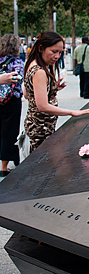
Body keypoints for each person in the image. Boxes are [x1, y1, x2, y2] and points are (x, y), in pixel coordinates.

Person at [23, 32, 89, 152]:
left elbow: (27, 93)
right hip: (41, 128)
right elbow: (42, 106)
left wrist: (52, 88)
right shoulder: (39, 71)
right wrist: (71, 112)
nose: (57, 56)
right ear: (41, 48)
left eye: (60, 52)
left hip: (38, 126)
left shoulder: (32, 64)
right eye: (54, 51)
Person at [0, 34, 25, 176]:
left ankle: (14, 157)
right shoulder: (17, 62)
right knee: (10, 131)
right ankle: (4, 166)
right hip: (11, 100)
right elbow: (19, 80)